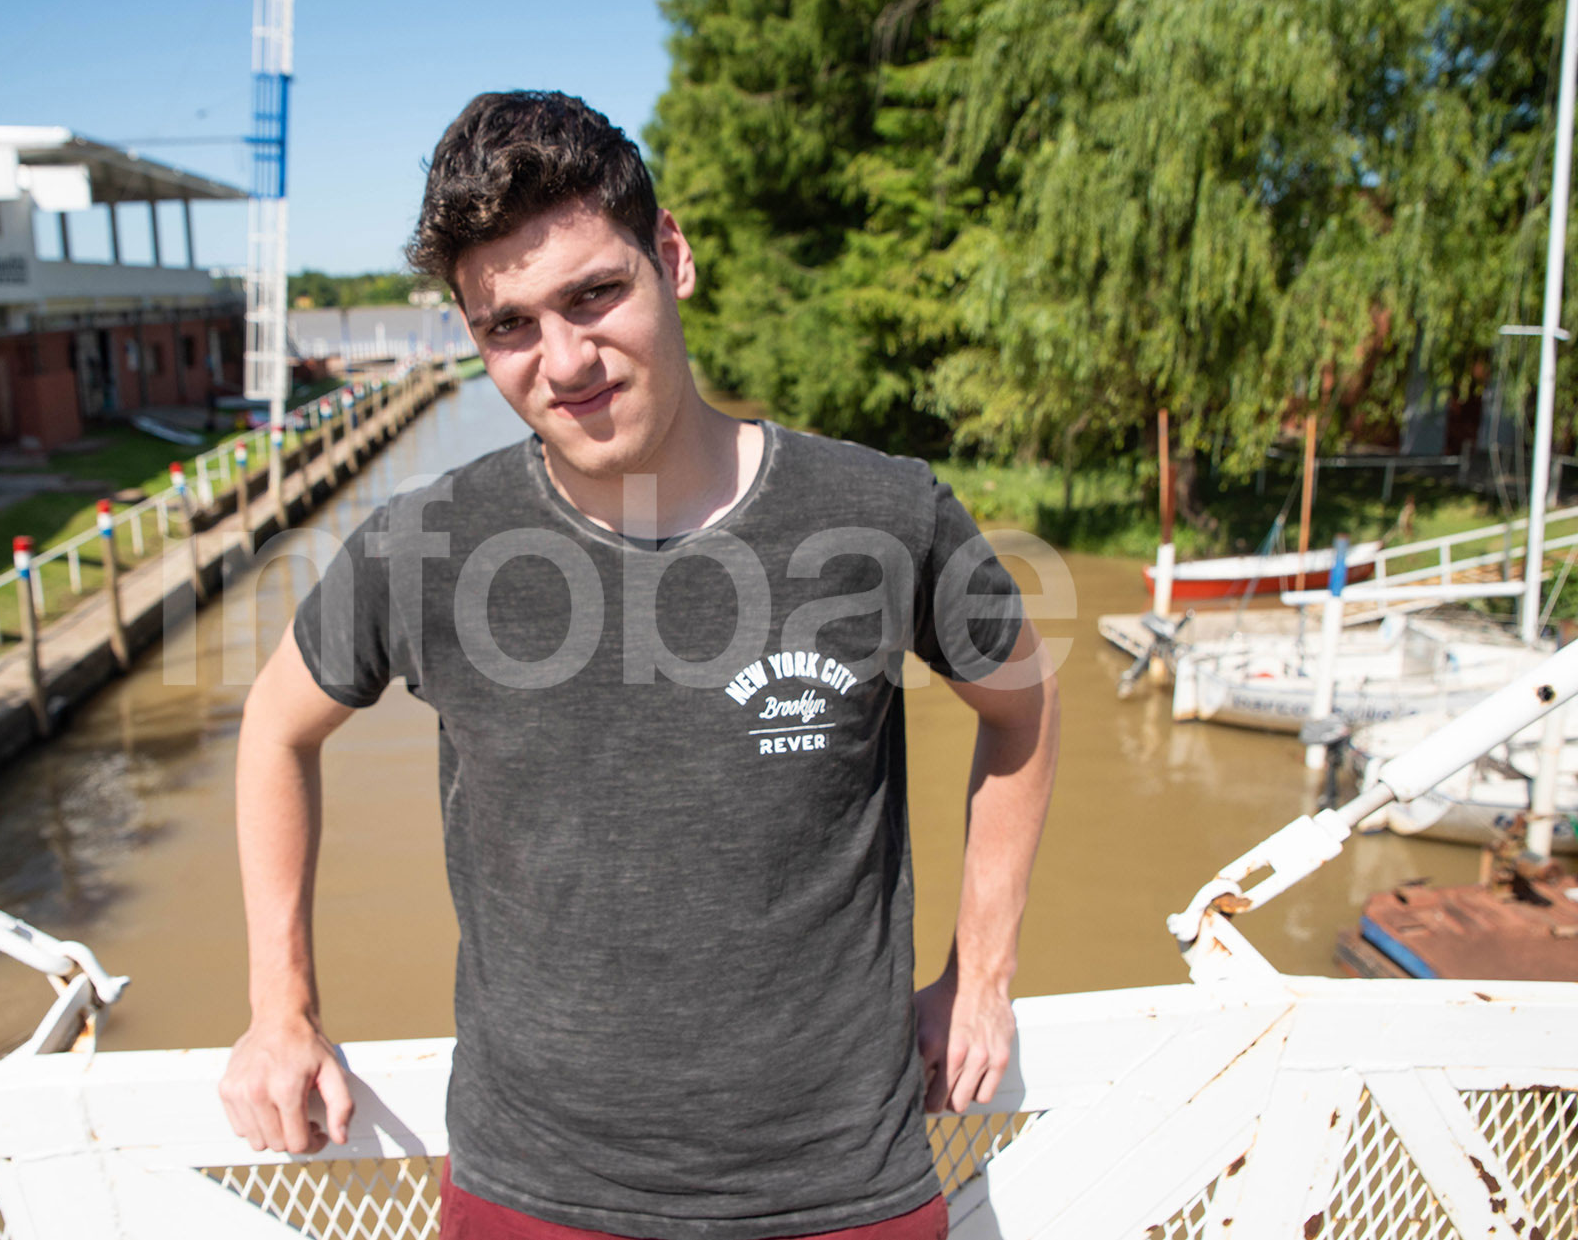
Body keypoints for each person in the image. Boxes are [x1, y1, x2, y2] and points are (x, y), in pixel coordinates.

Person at [219, 91, 1059, 1240]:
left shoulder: (883, 516)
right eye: (507, 325)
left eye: (594, 295)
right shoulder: (424, 549)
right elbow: (274, 731)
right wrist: (282, 1006)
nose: (563, 362)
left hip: (842, 1187)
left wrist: (984, 970)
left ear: (672, 257)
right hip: (532, 1190)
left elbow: (1021, 709)